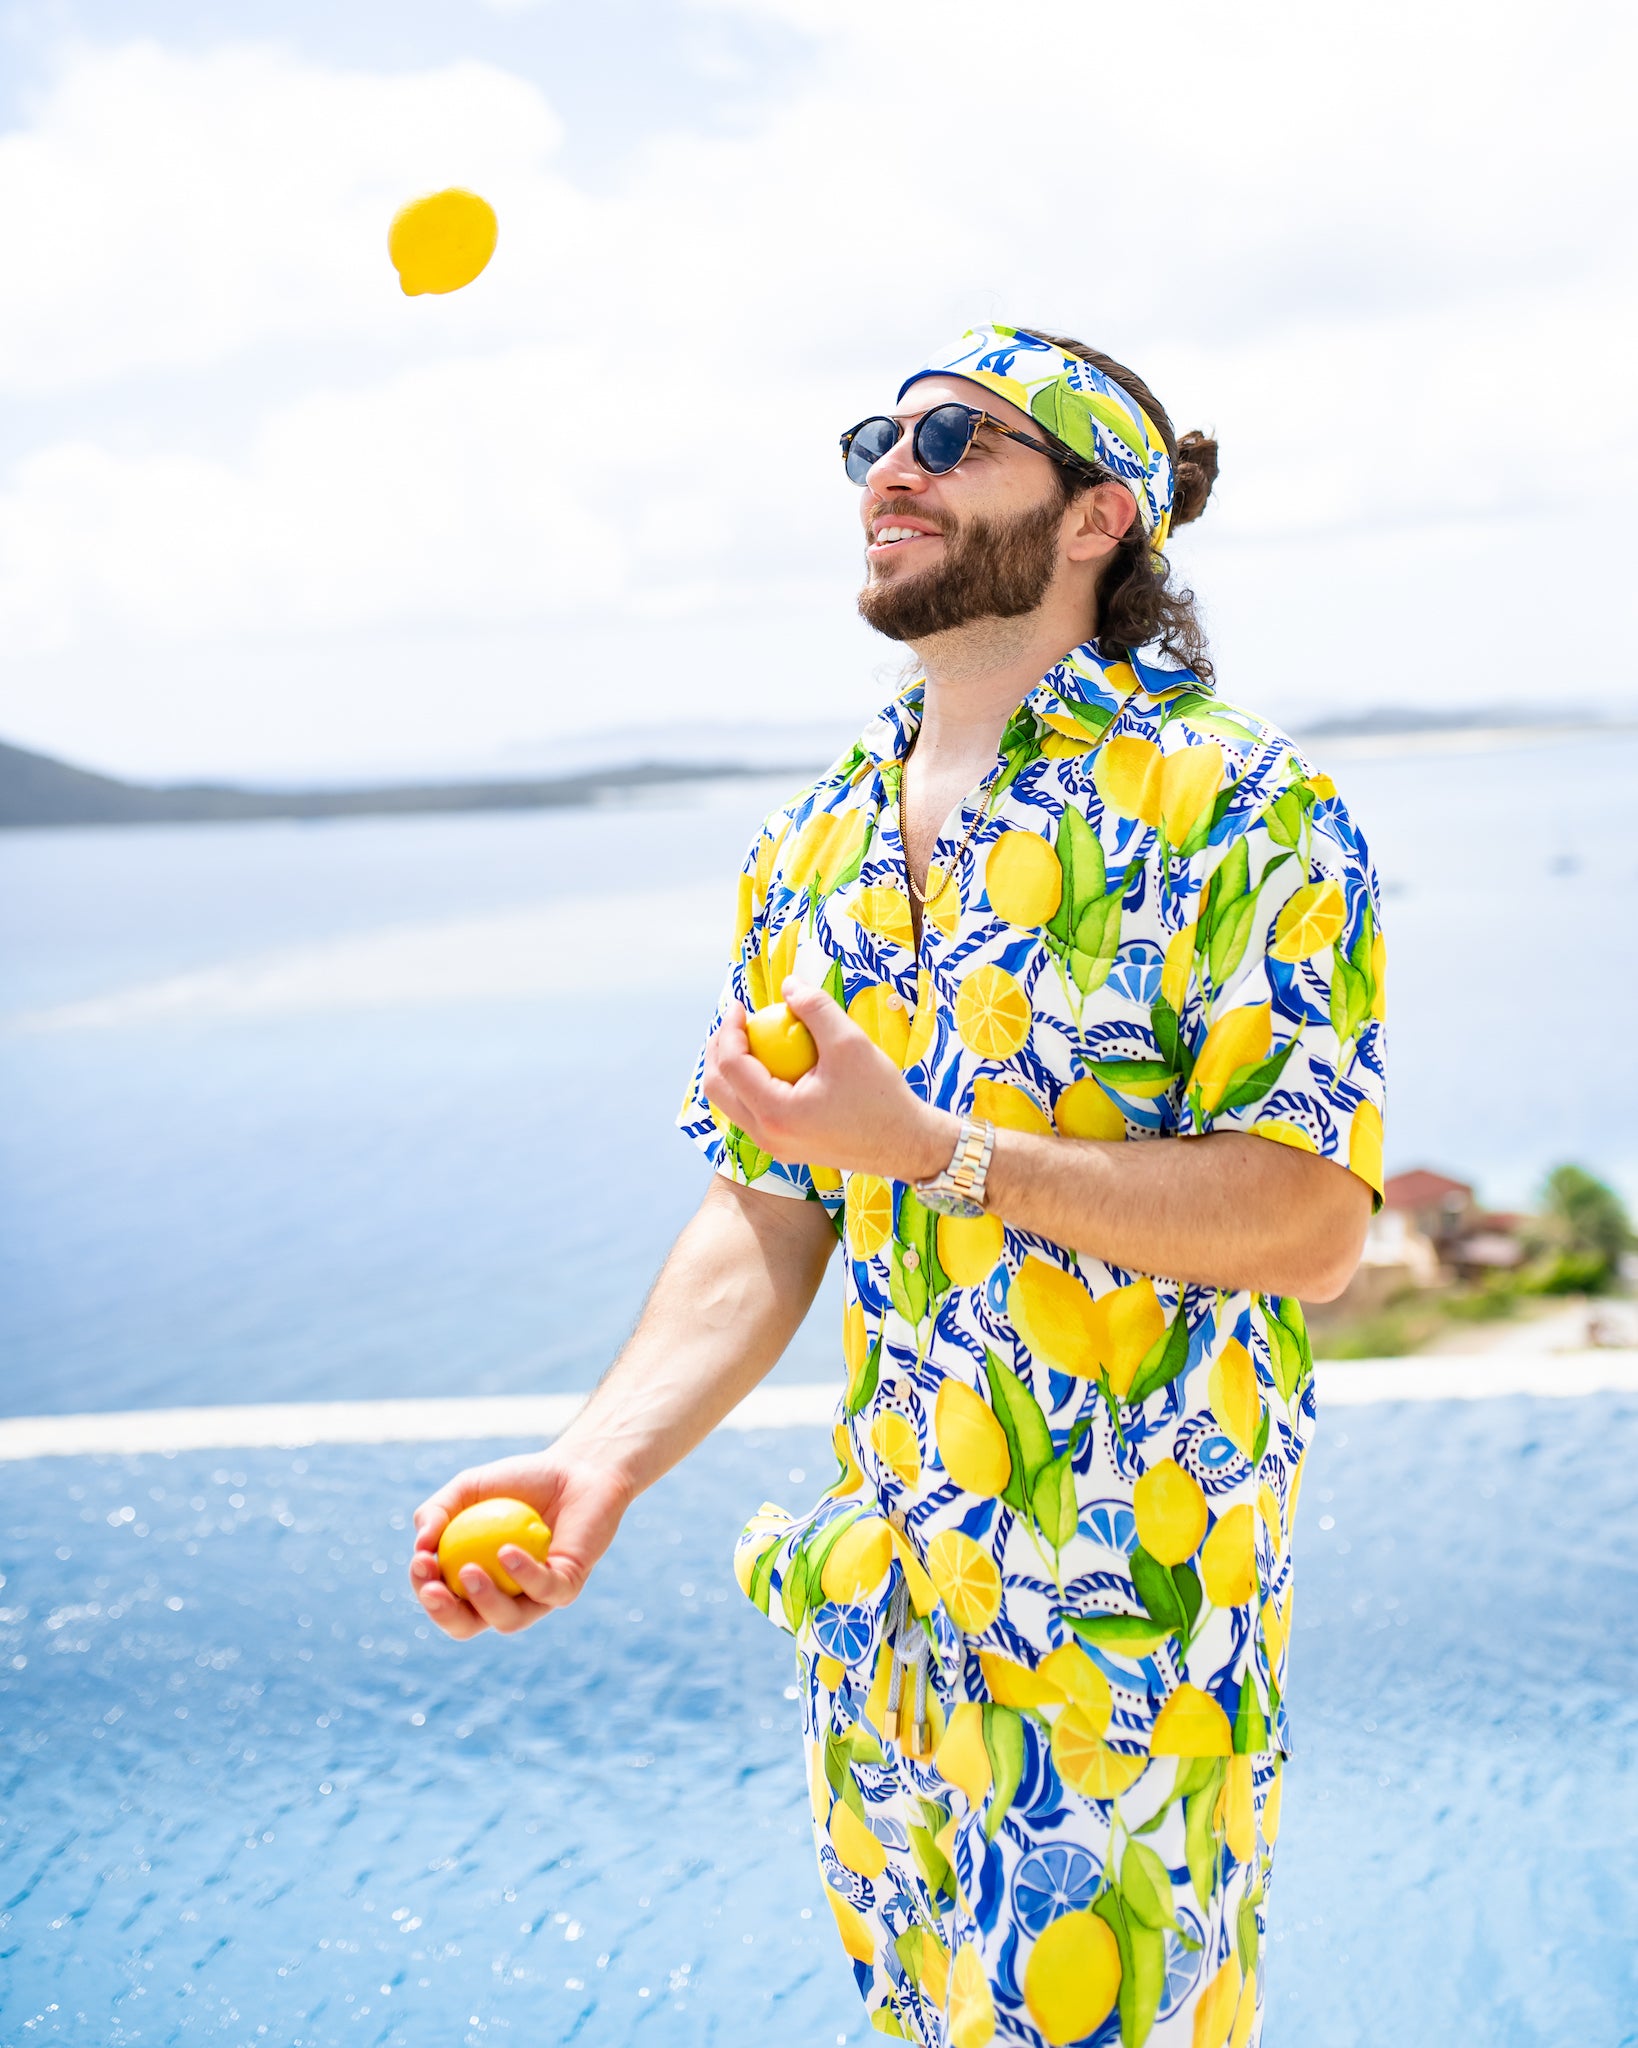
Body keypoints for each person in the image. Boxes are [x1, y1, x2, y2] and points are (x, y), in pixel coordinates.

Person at [409, 324, 1386, 2048]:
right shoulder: (811, 845)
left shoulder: (1243, 803)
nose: (893, 469)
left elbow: (1307, 1226)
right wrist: (599, 1457)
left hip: (1128, 1638)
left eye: (956, 440)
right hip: (883, 1622)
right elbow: (769, 1205)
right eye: (879, 437)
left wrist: (938, 1154)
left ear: (1097, 516)